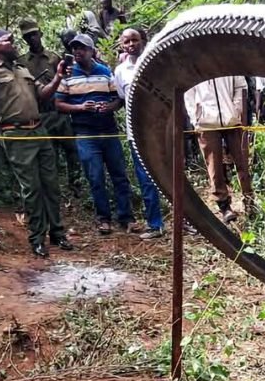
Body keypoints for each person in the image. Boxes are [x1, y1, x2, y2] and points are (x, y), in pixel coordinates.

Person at [0, 30, 73, 257]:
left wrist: (58, 78)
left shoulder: (20, 67)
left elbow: (42, 95)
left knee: (51, 184)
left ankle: (57, 233)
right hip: (15, 134)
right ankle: (37, 238)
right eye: (9, 42)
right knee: (32, 188)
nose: (15, 45)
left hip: (39, 129)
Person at [55, 34, 136, 235]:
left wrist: (108, 107)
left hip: (108, 132)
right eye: (74, 48)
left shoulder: (105, 72)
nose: (77, 52)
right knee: (95, 177)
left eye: (82, 48)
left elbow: (118, 99)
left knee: (119, 175)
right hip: (85, 134)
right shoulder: (68, 75)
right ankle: (103, 219)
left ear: (91, 51)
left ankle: (126, 218)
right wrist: (81, 107)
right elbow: (58, 104)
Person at [18, 18, 81, 198]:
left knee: (72, 149)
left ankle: (75, 184)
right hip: (39, 115)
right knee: (49, 155)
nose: (32, 39)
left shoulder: (54, 58)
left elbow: (67, 80)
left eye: (34, 34)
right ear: (25, 40)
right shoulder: (22, 62)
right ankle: (52, 190)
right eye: (28, 36)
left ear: (41, 35)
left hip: (59, 112)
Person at [113, 28, 164, 239]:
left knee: (172, 176)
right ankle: (155, 225)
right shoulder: (120, 71)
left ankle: (186, 220)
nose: (131, 44)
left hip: (161, 130)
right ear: (122, 45)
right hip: (137, 134)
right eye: (127, 41)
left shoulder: (156, 63)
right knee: (146, 179)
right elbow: (123, 98)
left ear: (144, 41)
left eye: (135, 40)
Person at [184, 77, 254, 223]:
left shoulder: (226, 59)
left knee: (242, 161)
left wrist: (236, 110)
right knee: (214, 166)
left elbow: (240, 86)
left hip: (232, 120)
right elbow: (189, 92)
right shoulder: (194, 65)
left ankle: (249, 201)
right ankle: (224, 206)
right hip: (206, 123)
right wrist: (195, 117)